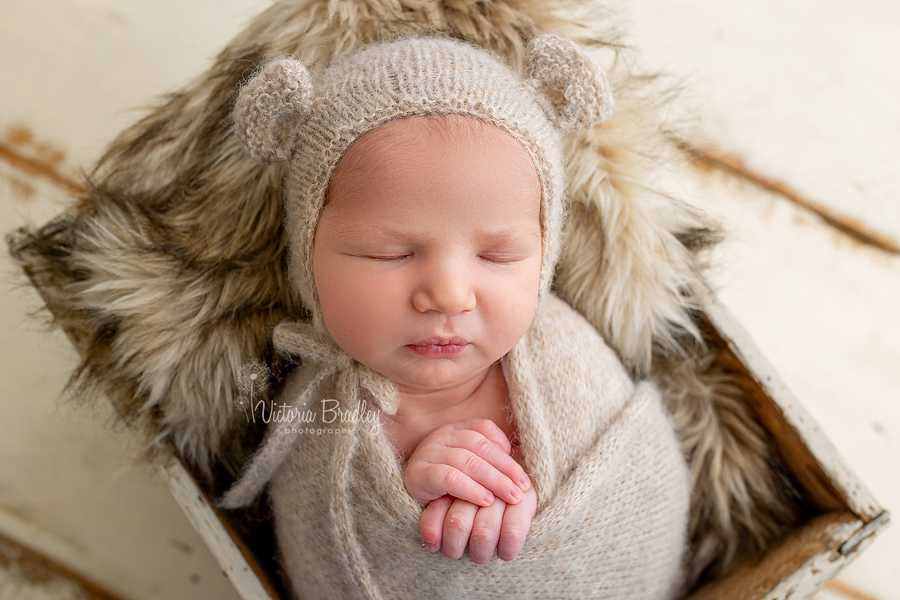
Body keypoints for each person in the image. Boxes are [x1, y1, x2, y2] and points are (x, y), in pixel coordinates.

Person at [221, 34, 690, 600]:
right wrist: (412, 488)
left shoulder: (568, 358)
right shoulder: (315, 416)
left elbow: (640, 494)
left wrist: (515, 490)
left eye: (497, 255)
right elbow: (325, 535)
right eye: (390, 253)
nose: (448, 295)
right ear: (307, 255)